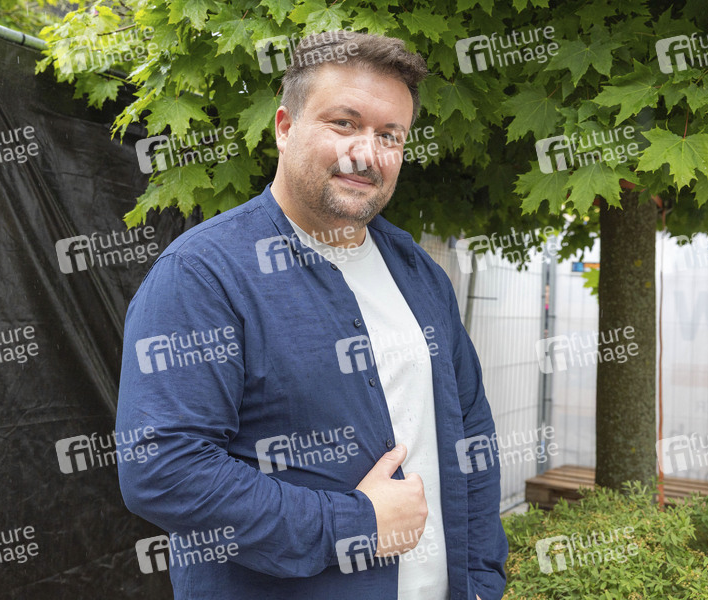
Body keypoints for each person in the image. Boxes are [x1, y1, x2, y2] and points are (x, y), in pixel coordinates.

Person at [116, 30, 507, 600]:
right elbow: (164, 471)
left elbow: (472, 435)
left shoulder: (420, 275)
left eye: (390, 135)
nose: (367, 154)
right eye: (344, 124)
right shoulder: (203, 275)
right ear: (284, 127)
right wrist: (355, 525)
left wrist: (481, 582)